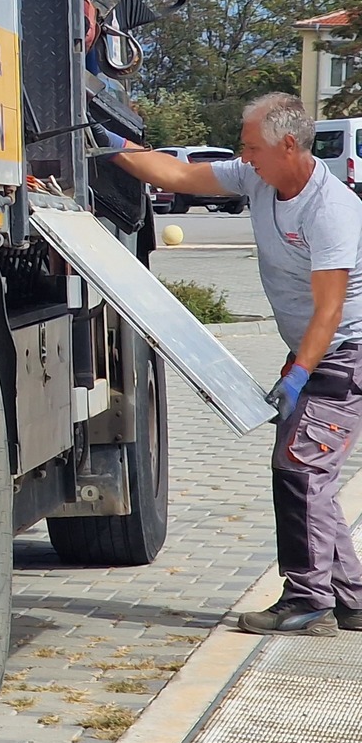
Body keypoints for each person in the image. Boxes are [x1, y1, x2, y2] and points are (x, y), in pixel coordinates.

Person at [105, 93, 362, 635]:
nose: (243, 157)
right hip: (316, 351)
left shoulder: (331, 210)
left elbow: (330, 308)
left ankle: (308, 599)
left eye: (251, 147)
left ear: (288, 144)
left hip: (345, 354)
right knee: (308, 472)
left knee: (300, 470)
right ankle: (352, 598)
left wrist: (297, 375)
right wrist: (113, 148)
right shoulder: (258, 179)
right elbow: (178, 173)